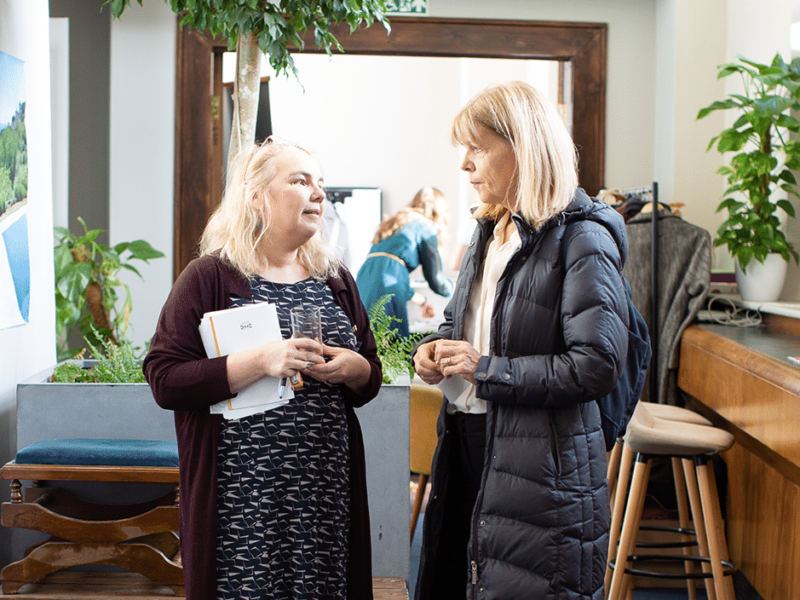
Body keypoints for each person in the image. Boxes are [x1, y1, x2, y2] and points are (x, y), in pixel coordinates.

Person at [412, 81, 629, 599]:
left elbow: (596, 364)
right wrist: (435, 352)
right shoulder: (488, 230)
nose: (465, 164)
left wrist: (483, 368)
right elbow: (459, 325)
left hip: (539, 468)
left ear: (525, 147)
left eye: (478, 147)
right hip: (465, 443)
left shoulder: (583, 238)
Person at [143, 136, 382, 600]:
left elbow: (368, 374)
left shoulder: (336, 279)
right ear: (255, 197)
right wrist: (259, 360)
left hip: (323, 488)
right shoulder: (210, 277)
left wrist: (354, 368)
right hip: (240, 497)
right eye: (300, 181)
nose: (318, 193)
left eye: (321, 184)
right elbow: (165, 379)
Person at [355, 187, 454, 337]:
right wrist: (457, 287)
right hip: (386, 283)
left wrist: (422, 301)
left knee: (368, 340)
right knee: (393, 346)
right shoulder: (426, 226)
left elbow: (387, 276)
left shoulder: (394, 222)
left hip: (363, 279)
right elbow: (437, 281)